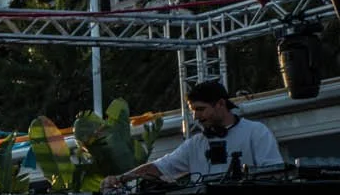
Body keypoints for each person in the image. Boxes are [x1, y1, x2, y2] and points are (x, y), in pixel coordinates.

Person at [108, 80, 285, 188]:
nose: (196, 117)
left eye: (201, 109)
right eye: (193, 110)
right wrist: (121, 178)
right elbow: (160, 167)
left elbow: (274, 174)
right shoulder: (196, 143)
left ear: (220, 104)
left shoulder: (255, 132)